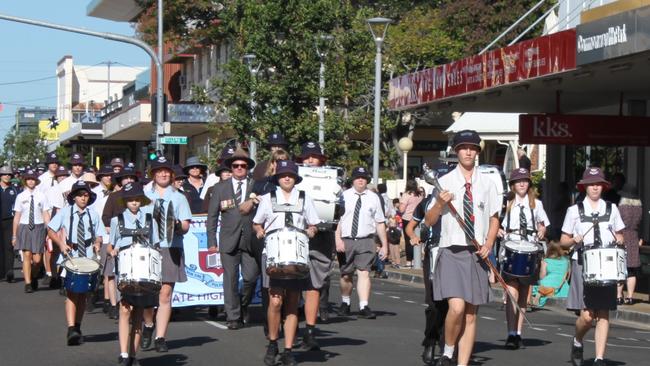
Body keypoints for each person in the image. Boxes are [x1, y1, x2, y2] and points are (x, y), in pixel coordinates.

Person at [424, 130, 501, 366]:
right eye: (463, 147)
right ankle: (448, 350)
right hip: (451, 250)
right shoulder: (444, 181)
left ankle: (462, 362)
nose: (468, 152)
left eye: (472, 148)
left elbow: (494, 218)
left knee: (470, 314)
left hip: (477, 253)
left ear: (477, 152)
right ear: (456, 151)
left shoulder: (488, 183)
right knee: (455, 307)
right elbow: (429, 220)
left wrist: (489, 244)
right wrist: (439, 202)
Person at [253, 160, 320, 366]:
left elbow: (313, 224)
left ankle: (288, 349)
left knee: (292, 303)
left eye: (290, 175)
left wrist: (311, 231)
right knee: (275, 302)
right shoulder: (267, 198)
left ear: (295, 178)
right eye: (283, 175)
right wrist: (259, 231)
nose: (287, 178)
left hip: (296, 256)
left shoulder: (304, 198)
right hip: (274, 254)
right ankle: (273, 342)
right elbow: (257, 222)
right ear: (277, 178)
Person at [560, 167, 625, 366]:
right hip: (582, 263)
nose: (595, 187)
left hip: (606, 264)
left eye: (598, 184)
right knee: (587, 316)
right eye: (591, 184)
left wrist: (619, 238)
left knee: (604, 312)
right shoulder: (574, 210)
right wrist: (573, 241)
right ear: (585, 187)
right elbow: (563, 241)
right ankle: (577, 340)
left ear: (603, 187)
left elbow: (621, 234)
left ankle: (599, 358)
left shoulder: (612, 208)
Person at [141, 156, 192, 352]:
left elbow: (186, 225)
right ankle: (148, 324)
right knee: (148, 293)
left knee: (165, 293)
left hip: (171, 246)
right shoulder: (143, 194)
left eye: (166, 171)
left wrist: (178, 225)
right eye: (158, 170)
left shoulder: (179, 197)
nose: (163, 173)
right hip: (149, 247)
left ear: (171, 174)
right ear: (153, 174)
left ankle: (160, 337)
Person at [206, 149, 260, 330]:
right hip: (228, 239)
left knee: (251, 278)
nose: (239, 168)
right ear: (231, 167)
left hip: (250, 239)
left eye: (243, 166)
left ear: (247, 168)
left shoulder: (256, 186)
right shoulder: (220, 188)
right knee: (230, 279)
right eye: (235, 165)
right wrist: (211, 241)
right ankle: (233, 316)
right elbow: (212, 216)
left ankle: (243, 305)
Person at [47, 180, 105, 345]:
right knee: (72, 293)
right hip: (71, 256)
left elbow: (99, 234)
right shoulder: (65, 212)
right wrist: (61, 244)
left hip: (87, 256)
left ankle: (78, 326)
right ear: (73, 197)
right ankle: (71, 328)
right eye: (80, 195)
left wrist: (97, 242)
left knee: (83, 294)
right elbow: (51, 229)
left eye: (86, 195)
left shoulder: (93, 214)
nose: (83, 198)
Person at [497, 167, 550, 349]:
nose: (522, 184)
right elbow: (495, 223)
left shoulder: (537, 204)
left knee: (524, 294)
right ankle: (511, 333)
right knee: (512, 292)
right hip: (512, 248)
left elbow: (543, 225)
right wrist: (498, 230)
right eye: (518, 181)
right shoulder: (506, 202)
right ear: (512, 184)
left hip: (530, 250)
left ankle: (518, 332)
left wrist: (542, 230)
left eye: (525, 181)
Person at [404, 163, 451, 365]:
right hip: (432, 252)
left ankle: (447, 346)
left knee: (451, 303)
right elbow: (410, 226)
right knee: (433, 303)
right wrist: (413, 237)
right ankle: (430, 342)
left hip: (451, 251)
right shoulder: (426, 202)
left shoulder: (455, 200)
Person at [109, 182, 160, 366]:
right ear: (125, 201)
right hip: (124, 270)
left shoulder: (149, 219)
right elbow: (111, 244)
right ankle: (123, 353)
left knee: (138, 312)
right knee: (124, 310)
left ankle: (132, 354)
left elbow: (156, 245)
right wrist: (112, 250)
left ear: (142, 200)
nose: (134, 203)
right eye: (130, 200)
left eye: (137, 199)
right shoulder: (117, 220)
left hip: (144, 271)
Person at [295, 142, 337, 349]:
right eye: (306, 157)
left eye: (314, 157)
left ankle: (310, 332)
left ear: (322, 160)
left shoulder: (332, 180)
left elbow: (339, 211)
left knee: (313, 286)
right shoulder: (292, 181)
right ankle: (290, 327)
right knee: (291, 287)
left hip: (321, 237)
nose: (310, 160)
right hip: (295, 237)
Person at [335, 167, 388, 319]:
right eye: (357, 177)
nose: (360, 180)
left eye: (363, 178)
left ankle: (364, 305)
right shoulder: (343, 196)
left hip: (366, 240)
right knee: (346, 275)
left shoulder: (374, 197)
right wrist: (338, 239)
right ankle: (345, 302)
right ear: (352, 180)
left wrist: (384, 245)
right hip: (347, 240)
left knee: (364, 272)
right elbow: (337, 220)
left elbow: (379, 222)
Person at [12, 169, 50, 293]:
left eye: (33, 179)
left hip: (38, 227)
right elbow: (17, 217)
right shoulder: (20, 196)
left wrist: (49, 230)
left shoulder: (42, 196)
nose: (31, 181)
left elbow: (45, 214)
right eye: (28, 179)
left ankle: (33, 276)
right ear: (25, 181)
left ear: (36, 181)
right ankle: (27, 283)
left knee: (38, 259)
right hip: (24, 227)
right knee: (27, 255)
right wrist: (14, 235)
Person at [616, 184, 644, 305]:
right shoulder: (639, 209)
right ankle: (630, 297)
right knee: (631, 270)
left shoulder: (621, 208)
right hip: (634, 237)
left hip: (622, 236)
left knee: (620, 268)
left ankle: (618, 296)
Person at [531, 241, 570, 307]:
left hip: (545, 284)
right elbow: (567, 276)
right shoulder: (566, 261)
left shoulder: (546, 261)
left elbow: (542, 276)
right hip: (561, 287)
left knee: (533, 287)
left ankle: (539, 295)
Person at [0, 166, 20, 283]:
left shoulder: (15, 190)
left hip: (9, 221)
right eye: (4, 174)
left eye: (9, 174)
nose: (7, 176)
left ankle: (9, 272)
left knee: (9, 247)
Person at [399, 180, 424, 268]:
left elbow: (401, 209)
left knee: (408, 241)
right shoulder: (420, 194)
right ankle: (416, 260)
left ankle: (409, 261)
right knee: (417, 238)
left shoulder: (406, 195)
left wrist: (399, 205)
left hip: (407, 219)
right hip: (419, 219)